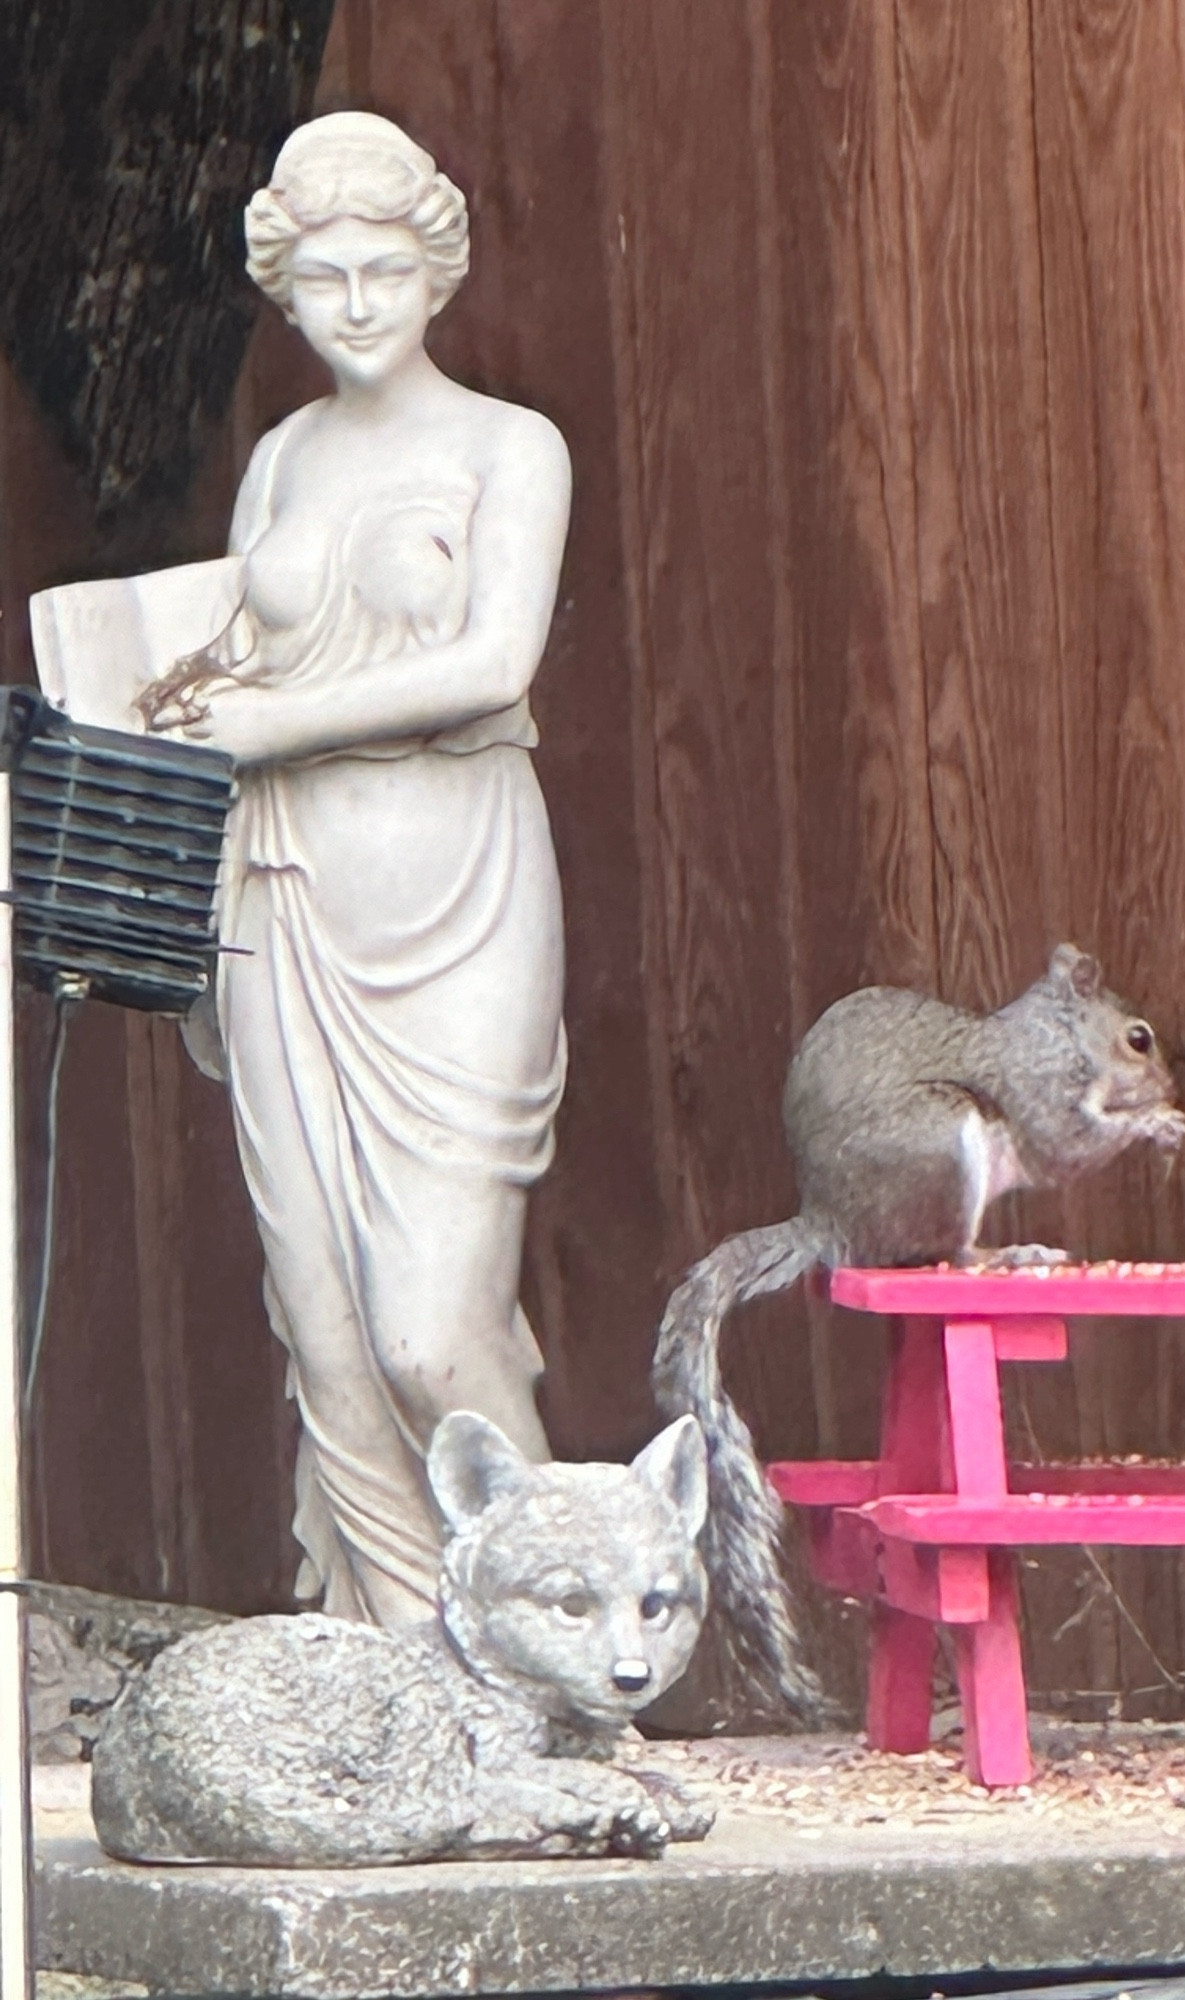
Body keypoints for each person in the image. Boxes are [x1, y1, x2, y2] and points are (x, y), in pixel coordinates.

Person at [139, 111, 571, 1630]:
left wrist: (269, 724)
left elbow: (493, 660)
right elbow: (220, 666)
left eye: (384, 268)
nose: (360, 303)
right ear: (287, 290)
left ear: (436, 269)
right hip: (283, 894)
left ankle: (551, 1647)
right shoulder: (281, 461)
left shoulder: (513, 448)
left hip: (455, 887)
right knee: (322, 1328)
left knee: (434, 1325)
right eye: (323, 278)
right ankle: (400, 1667)